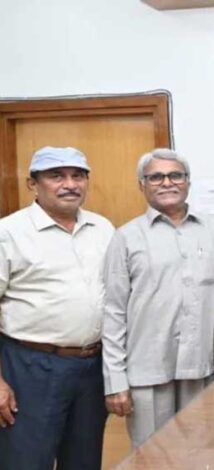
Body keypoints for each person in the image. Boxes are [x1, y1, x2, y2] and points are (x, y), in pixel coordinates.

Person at [0, 147, 114, 469]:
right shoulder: (8, 233)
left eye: (78, 176)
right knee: (26, 460)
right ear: (32, 184)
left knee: (84, 460)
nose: (70, 184)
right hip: (29, 366)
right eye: (56, 176)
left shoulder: (103, 228)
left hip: (92, 367)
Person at [101, 149, 214, 447]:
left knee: (202, 453)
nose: (167, 182)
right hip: (148, 370)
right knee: (153, 457)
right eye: (156, 177)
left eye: (175, 175)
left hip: (201, 368)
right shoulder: (125, 237)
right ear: (142, 185)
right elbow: (113, 311)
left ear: (188, 182)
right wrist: (115, 380)